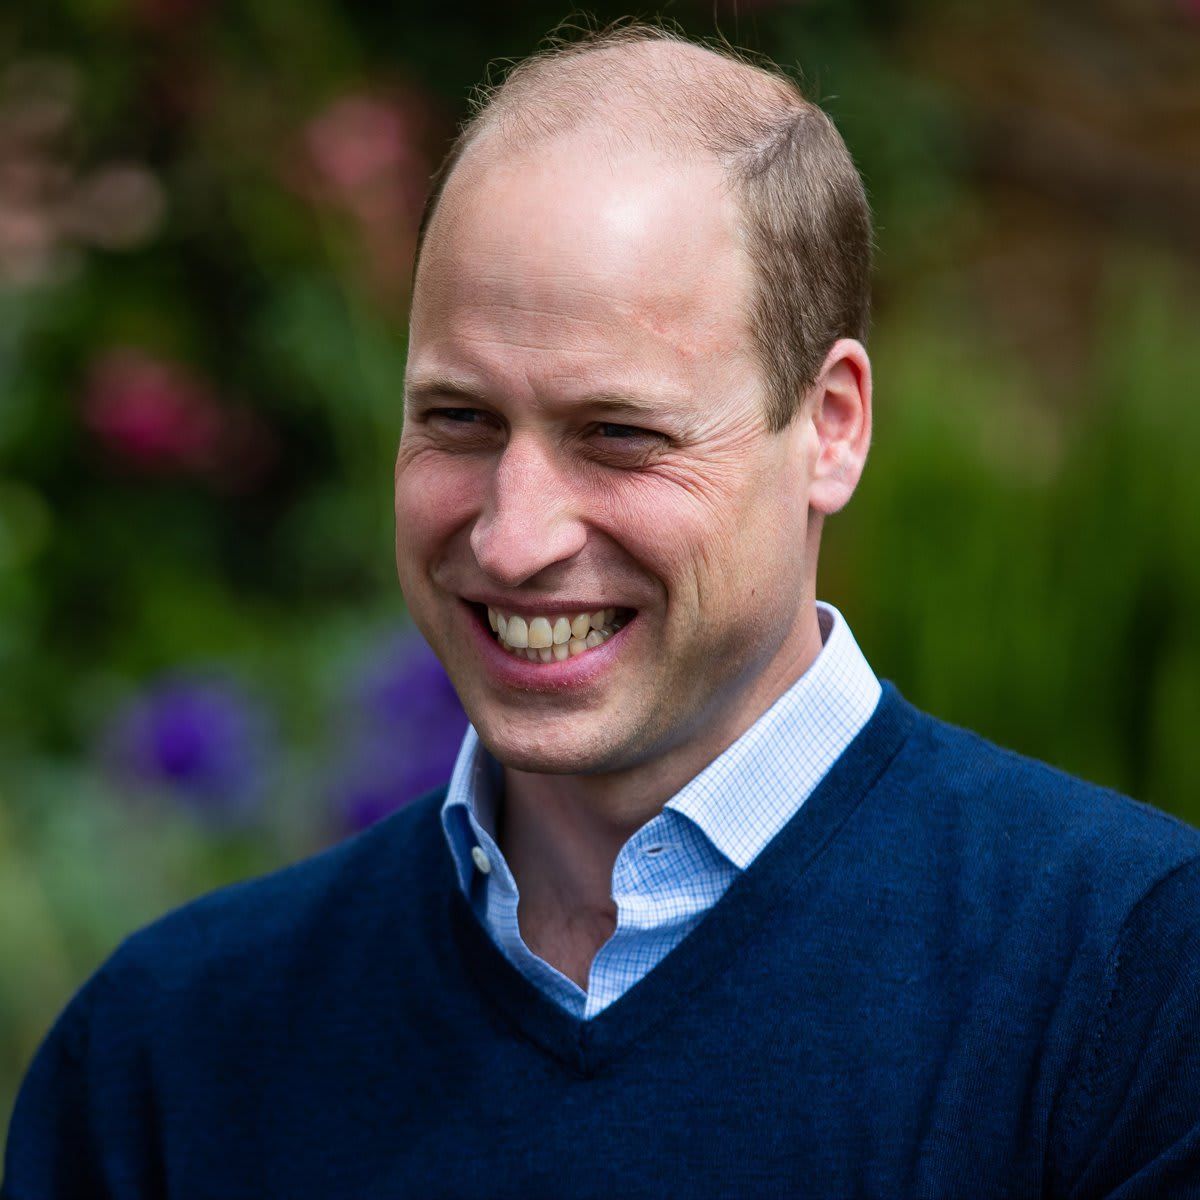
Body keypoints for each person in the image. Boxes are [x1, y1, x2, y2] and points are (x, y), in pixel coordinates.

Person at [5, 23, 1200, 1199]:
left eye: (619, 436)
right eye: (460, 420)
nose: (514, 538)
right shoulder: (169, 1056)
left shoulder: (1130, 987)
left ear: (831, 425)